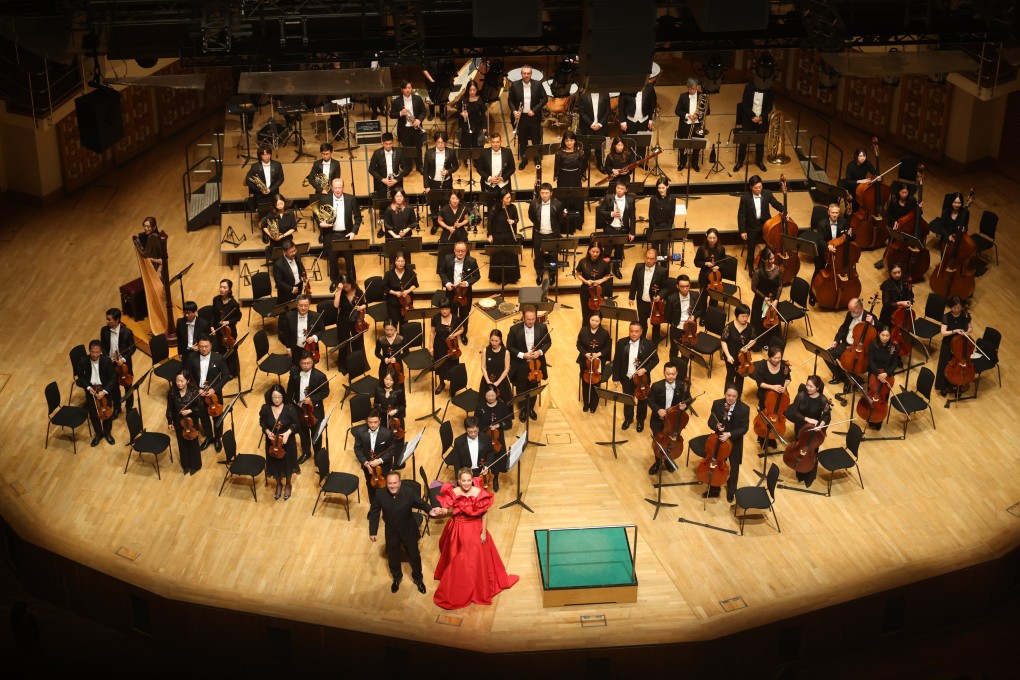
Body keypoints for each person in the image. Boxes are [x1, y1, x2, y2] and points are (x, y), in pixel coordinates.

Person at [431, 467, 519, 609]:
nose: (466, 484)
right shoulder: (454, 492)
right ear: (459, 481)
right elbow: (446, 509)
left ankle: (476, 585)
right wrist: (439, 510)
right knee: (458, 558)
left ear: (472, 479)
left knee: (475, 559)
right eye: (463, 481)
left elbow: (484, 514)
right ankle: (461, 584)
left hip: (475, 528)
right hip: (458, 529)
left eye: (469, 480)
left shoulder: (479, 492)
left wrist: (483, 532)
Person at [369, 471, 436, 595]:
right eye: (390, 483)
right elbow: (374, 512)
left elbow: (420, 503)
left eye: (395, 483)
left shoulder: (409, 492)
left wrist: (430, 510)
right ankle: (396, 578)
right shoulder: (380, 494)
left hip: (408, 529)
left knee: (414, 556)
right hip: (391, 531)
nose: (392, 486)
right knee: (393, 556)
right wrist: (373, 531)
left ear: (400, 483)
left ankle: (418, 579)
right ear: (386, 483)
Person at [185, 334, 231, 453]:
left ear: (211, 345)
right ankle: (209, 437)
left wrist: (214, 389)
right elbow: (188, 375)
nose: (203, 349)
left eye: (206, 346)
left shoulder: (218, 358)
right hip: (199, 393)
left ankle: (217, 438)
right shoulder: (191, 357)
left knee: (217, 417)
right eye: (201, 346)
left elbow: (226, 375)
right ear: (198, 346)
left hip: (214, 394)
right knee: (204, 417)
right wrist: (197, 389)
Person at [783, 376, 830, 486]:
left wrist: (821, 425)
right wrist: (807, 419)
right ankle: (798, 470)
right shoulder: (801, 396)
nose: (808, 388)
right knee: (799, 450)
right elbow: (794, 411)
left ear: (817, 387)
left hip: (815, 431)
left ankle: (809, 473)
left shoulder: (823, 400)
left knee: (812, 451)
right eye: (807, 385)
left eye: (811, 386)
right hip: (801, 428)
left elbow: (827, 416)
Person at [612, 321, 659, 432]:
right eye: (631, 331)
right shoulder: (621, 342)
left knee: (642, 401)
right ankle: (628, 419)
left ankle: (640, 421)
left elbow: (655, 360)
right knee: (628, 400)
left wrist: (645, 369)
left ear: (641, 332)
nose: (633, 334)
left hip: (642, 379)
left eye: (636, 332)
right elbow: (617, 361)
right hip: (626, 378)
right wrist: (615, 378)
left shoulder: (648, 344)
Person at [705, 384, 750, 502]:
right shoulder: (717, 404)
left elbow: (744, 428)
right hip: (719, 440)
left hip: (735, 440)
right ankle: (715, 488)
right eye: (728, 395)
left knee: (734, 467)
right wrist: (716, 425)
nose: (730, 398)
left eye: (734, 396)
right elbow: (710, 421)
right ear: (725, 394)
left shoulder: (744, 408)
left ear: (738, 396)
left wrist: (729, 434)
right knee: (717, 463)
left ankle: (731, 490)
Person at [507, 306, 552, 421]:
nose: (531, 321)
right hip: (521, 365)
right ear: (523, 317)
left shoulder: (542, 328)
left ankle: (530, 408)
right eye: (528, 319)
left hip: (536, 365)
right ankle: (523, 410)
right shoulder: (514, 329)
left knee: (534, 388)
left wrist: (540, 352)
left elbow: (548, 342)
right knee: (521, 389)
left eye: (533, 319)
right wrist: (523, 355)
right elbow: (509, 346)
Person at [648, 362, 693, 474]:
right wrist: (658, 410)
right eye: (668, 374)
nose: (670, 376)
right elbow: (650, 400)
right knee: (659, 442)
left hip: (673, 422)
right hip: (658, 420)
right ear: (664, 373)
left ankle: (668, 461)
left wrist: (685, 406)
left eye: (673, 374)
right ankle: (658, 463)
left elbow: (689, 399)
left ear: (676, 373)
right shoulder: (656, 386)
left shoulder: (682, 386)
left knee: (671, 443)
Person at [827, 297, 877, 397]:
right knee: (828, 354)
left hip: (860, 348)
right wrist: (836, 341)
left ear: (860, 308)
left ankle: (852, 380)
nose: (851, 313)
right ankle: (842, 377)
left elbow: (878, 331)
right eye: (850, 310)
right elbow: (843, 328)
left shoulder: (870, 317)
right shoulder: (850, 314)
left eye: (853, 311)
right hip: (847, 344)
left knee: (854, 362)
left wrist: (872, 323)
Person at [286, 351, 329, 464]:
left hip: (314, 409)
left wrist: (312, 399)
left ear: (313, 362)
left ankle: (317, 455)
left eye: (308, 363)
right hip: (298, 408)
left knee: (316, 434)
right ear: (299, 363)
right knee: (302, 432)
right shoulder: (294, 372)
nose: (306, 366)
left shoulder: (320, 376)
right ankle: (306, 452)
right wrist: (288, 405)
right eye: (303, 363)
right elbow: (290, 389)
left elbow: (325, 392)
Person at [319, 178, 362, 289]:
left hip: (346, 234)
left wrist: (353, 232)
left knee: (349, 260)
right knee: (333, 260)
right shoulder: (325, 199)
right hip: (331, 234)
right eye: (335, 187)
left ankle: (352, 281)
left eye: (340, 187)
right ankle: (335, 281)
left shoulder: (351, 199)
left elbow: (358, 217)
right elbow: (317, 215)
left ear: (343, 187)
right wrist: (321, 223)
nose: (337, 190)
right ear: (331, 188)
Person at [737, 174, 785, 274]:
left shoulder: (767, 193)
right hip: (752, 226)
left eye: (760, 187)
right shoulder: (745, 198)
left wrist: (785, 211)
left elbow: (775, 204)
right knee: (751, 250)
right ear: (751, 187)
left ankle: (767, 264)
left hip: (766, 224)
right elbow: (741, 215)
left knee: (771, 245)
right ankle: (751, 269)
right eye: (756, 188)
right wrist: (742, 231)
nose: (758, 189)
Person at [261, 383, 299, 499]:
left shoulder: (289, 408)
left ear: (283, 396)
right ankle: (278, 484)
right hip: (272, 443)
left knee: (288, 463)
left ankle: (288, 484)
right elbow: (262, 423)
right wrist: (267, 431)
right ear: (270, 397)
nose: (277, 400)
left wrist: (287, 433)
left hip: (287, 442)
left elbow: (296, 425)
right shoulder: (266, 408)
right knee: (275, 463)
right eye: (274, 397)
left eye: (279, 397)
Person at [78, 339, 116, 447]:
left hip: (104, 389)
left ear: (100, 352)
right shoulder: (83, 361)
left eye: (97, 352)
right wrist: (88, 387)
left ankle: (107, 432)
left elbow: (113, 378)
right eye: (92, 352)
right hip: (92, 391)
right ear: (89, 350)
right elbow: (80, 377)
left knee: (107, 413)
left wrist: (104, 391)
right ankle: (99, 433)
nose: (95, 355)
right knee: (94, 415)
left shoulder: (106, 360)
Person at [475, 385, 513, 492]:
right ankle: (484, 478)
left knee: (496, 459)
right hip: (483, 437)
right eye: (488, 396)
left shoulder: (502, 406)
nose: (491, 398)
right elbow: (475, 423)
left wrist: (499, 425)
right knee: (484, 459)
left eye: (493, 395)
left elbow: (509, 423)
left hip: (497, 439)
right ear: (485, 395)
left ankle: (495, 477)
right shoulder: (480, 406)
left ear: (496, 394)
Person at [751, 345, 791, 447]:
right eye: (775, 358)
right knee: (765, 419)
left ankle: (773, 438)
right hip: (765, 397)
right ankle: (762, 437)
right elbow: (759, 383)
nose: (777, 360)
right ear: (769, 357)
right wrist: (772, 387)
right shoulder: (763, 366)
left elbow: (788, 379)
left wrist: (784, 386)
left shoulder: (783, 365)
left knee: (777, 417)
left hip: (780, 396)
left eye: (779, 358)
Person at [507, 65, 547, 169]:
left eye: (528, 73)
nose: (526, 75)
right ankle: (524, 159)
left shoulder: (538, 85)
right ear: (521, 74)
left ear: (531, 74)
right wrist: (514, 111)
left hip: (534, 117)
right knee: (522, 139)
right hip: (521, 118)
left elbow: (544, 99)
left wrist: (534, 110)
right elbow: (510, 100)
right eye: (524, 73)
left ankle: (536, 158)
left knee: (535, 139)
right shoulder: (515, 85)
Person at [355, 408, 398, 502]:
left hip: (384, 466)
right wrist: (365, 462)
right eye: (370, 422)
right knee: (370, 485)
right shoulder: (360, 431)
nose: (373, 425)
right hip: (368, 468)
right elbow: (357, 449)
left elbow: (392, 450)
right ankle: (373, 504)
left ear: (380, 420)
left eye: (375, 422)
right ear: (367, 421)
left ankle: (385, 503)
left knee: (385, 486)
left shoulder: (387, 433)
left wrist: (380, 460)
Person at [439, 241, 481, 339]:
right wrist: (447, 283)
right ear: (454, 250)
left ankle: (463, 335)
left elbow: (477, 275)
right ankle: (452, 333)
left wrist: (467, 283)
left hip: (465, 294)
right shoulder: (447, 259)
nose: (460, 253)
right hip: (451, 292)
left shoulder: (472, 261)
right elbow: (442, 272)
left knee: (464, 315)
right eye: (458, 251)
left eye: (462, 251)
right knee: (452, 314)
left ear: (466, 251)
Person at [811, 202, 854, 293]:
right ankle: (812, 292)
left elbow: (852, 237)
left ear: (839, 213)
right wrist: (828, 246)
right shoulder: (821, 224)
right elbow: (819, 240)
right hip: (824, 251)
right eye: (833, 213)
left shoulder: (844, 222)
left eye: (837, 213)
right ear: (828, 212)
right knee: (818, 270)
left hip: (838, 252)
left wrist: (850, 234)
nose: (835, 215)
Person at [597, 179, 636, 279]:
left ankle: (616, 268)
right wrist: (611, 214)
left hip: (622, 230)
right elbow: (601, 210)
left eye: (622, 189)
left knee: (619, 251)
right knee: (607, 251)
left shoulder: (630, 200)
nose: (619, 190)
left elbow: (632, 216)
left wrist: (632, 232)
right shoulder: (609, 197)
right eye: (618, 188)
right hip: (610, 228)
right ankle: (605, 269)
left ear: (626, 190)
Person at [628, 247, 669, 342]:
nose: (648, 260)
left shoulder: (662, 271)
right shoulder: (638, 267)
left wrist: (659, 296)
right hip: (641, 301)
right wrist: (631, 297)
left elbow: (666, 288)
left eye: (651, 259)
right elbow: (634, 282)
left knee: (655, 324)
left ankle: (654, 345)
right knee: (642, 323)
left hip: (654, 304)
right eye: (647, 258)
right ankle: (641, 342)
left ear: (655, 260)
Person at [935, 296, 973, 396]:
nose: (956, 310)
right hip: (948, 344)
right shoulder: (946, 317)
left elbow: (970, 328)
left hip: (961, 345)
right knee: (944, 365)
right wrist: (954, 331)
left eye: (959, 307)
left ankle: (957, 386)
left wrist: (966, 332)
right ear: (950, 307)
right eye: (954, 308)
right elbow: (943, 332)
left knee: (959, 367)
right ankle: (943, 387)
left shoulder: (965, 315)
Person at [166, 370, 203, 474]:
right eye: (177, 381)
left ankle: (195, 465)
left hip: (191, 423)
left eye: (182, 381)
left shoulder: (194, 393)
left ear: (188, 381)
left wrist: (190, 410)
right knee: (181, 443)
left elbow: (201, 408)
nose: (179, 383)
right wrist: (170, 421)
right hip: (179, 422)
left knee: (193, 443)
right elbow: (170, 408)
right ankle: (185, 465)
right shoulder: (172, 392)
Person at [101, 307, 135, 418]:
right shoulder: (104, 331)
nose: (107, 321)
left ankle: (129, 408)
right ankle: (117, 408)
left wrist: (123, 359)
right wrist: (107, 358)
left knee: (128, 387)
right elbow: (103, 347)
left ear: (117, 320)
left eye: (109, 319)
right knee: (114, 388)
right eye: (107, 319)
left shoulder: (127, 332)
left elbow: (133, 348)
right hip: (111, 364)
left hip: (123, 365)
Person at [528, 183, 564, 285]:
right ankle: (539, 273)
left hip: (552, 234)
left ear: (551, 193)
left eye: (546, 193)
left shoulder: (558, 204)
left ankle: (552, 273)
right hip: (539, 233)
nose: (544, 195)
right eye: (542, 193)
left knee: (553, 255)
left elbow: (559, 220)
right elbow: (532, 217)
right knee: (538, 255)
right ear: (540, 193)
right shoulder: (534, 203)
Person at [577, 310, 612, 414]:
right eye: (592, 320)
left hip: (598, 363)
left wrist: (599, 354)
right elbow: (579, 345)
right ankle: (586, 404)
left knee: (596, 384)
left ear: (600, 321)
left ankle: (593, 404)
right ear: (589, 319)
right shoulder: (583, 330)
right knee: (585, 383)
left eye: (597, 321)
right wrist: (585, 354)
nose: (594, 323)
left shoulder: (604, 333)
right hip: (585, 361)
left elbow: (608, 348)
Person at [734, 80, 774, 172]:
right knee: (743, 142)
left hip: (761, 120)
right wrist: (752, 116)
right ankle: (740, 162)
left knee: (760, 143)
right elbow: (744, 103)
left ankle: (759, 161)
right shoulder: (749, 87)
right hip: (748, 118)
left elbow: (769, 107)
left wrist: (760, 117)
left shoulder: (770, 90)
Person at [863, 327, 898, 430]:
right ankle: (869, 417)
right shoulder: (873, 344)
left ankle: (879, 420)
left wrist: (886, 374)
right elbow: (871, 361)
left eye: (887, 336)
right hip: (874, 374)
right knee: (871, 397)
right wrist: (878, 374)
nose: (885, 338)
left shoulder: (894, 347)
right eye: (883, 335)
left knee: (883, 399)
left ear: (890, 336)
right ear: (879, 334)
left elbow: (895, 363)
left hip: (887, 376)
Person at [389, 80, 426, 174]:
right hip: (404, 129)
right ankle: (407, 167)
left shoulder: (418, 98)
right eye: (405, 88)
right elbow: (392, 115)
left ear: (411, 88)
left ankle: (419, 166)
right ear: (401, 89)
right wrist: (401, 113)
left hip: (416, 127)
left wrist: (419, 120)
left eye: (409, 88)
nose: (407, 90)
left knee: (418, 147)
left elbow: (423, 111)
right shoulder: (397, 101)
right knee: (407, 148)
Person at [750, 246, 782, 350]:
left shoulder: (778, 269)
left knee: (773, 321)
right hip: (761, 299)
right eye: (770, 259)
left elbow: (780, 286)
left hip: (774, 300)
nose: (773, 260)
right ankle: (759, 343)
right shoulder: (758, 272)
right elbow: (753, 287)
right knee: (759, 322)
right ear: (764, 260)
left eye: (773, 258)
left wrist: (776, 300)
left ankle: (772, 343)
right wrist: (764, 298)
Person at [666, 275, 700, 372]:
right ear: (677, 286)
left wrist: (694, 316)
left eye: (687, 286)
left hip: (690, 328)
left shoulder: (695, 295)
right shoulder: (671, 298)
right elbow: (668, 316)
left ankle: (683, 370)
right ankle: (672, 370)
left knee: (687, 351)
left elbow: (700, 310)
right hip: (677, 328)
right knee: (674, 350)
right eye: (682, 286)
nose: (685, 289)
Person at [553, 131, 586, 233]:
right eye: (567, 141)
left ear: (575, 141)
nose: (569, 143)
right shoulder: (559, 152)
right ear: (564, 141)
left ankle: (576, 223)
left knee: (576, 198)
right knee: (563, 199)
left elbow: (582, 166)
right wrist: (556, 176)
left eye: (571, 140)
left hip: (575, 177)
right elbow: (557, 166)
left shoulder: (580, 152)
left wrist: (582, 176)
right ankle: (562, 224)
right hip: (563, 177)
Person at [487, 189, 521, 284]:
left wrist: (513, 221)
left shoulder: (513, 208)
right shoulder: (495, 208)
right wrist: (490, 235)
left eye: (510, 197)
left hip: (509, 235)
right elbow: (490, 222)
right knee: (498, 257)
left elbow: (517, 219)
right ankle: (497, 277)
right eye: (507, 198)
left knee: (510, 256)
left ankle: (510, 277)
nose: (509, 199)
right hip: (497, 235)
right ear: (502, 199)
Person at [674, 77, 709, 172]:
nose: (691, 90)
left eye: (692, 88)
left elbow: (708, 111)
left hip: (697, 125)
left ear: (697, 87)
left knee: (697, 146)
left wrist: (699, 115)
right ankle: (682, 163)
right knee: (682, 146)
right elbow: (677, 111)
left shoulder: (703, 97)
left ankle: (695, 163)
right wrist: (687, 115)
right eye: (689, 88)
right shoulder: (683, 96)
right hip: (685, 125)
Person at [429, 299, 463, 395]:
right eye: (443, 309)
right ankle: (441, 383)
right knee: (440, 365)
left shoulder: (456, 318)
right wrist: (431, 346)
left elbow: (462, 329)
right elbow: (432, 332)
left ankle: (453, 385)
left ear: (450, 309)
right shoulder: (436, 318)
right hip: (439, 345)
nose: (444, 311)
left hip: (452, 346)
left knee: (452, 366)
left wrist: (454, 334)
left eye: (447, 308)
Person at [333, 277, 367, 370]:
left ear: (351, 284)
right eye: (343, 287)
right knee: (344, 343)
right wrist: (339, 290)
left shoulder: (359, 292)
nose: (345, 289)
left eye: (347, 287)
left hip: (356, 320)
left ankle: (359, 364)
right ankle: (344, 365)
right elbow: (336, 305)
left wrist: (360, 307)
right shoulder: (340, 292)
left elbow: (365, 304)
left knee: (358, 342)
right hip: (343, 320)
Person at [423, 131, 459, 220]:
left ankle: (444, 222)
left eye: (442, 142)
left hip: (446, 182)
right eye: (438, 142)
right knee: (434, 204)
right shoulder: (429, 153)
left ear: (445, 142)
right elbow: (425, 171)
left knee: (445, 204)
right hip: (433, 183)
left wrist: (448, 171)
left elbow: (456, 166)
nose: (440, 145)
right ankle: (435, 223)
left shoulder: (451, 152)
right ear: (435, 142)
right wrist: (426, 186)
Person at [575, 241, 613, 324]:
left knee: (597, 311)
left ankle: (596, 327)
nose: (595, 254)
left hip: (599, 290)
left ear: (600, 252)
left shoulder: (604, 263)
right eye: (593, 252)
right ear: (589, 251)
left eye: (597, 252)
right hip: (586, 289)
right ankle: (585, 327)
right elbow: (577, 273)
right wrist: (586, 281)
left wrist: (600, 281)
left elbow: (607, 275)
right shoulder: (583, 262)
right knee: (585, 311)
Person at [720, 304, 754, 395]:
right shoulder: (729, 327)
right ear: (737, 315)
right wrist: (727, 356)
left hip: (744, 357)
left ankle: (738, 396)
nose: (745, 319)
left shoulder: (750, 327)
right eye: (743, 316)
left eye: (747, 316)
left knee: (740, 376)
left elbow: (754, 339)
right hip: (731, 356)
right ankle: (727, 396)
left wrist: (747, 347)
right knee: (730, 376)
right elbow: (723, 341)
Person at [279, 295, 321, 368]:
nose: (303, 308)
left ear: (309, 305)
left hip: (310, 348)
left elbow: (321, 330)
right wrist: (288, 348)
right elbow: (286, 334)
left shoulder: (316, 316)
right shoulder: (289, 316)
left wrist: (314, 337)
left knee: (310, 367)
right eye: (301, 305)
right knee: (297, 367)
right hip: (295, 348)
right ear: (297, 305)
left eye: (305, 305)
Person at [374, 369, 407, 459]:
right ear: (383, 378)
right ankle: (386, 461)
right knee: (384, 441)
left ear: (394, 380)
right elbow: (376, 404)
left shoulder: (399, 390)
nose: (388, 382)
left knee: (398, 441)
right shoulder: (378, 389)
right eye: (386, 379)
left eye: (391, 380)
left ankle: (398, 461)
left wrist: (395, 411)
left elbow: (403, 405)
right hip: (384, 418)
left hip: (397, 420)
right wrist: (385, 412)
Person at [211, 279, 242, 377]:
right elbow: (213, 314)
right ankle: (223, 371)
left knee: (231, 352)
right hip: (218, 330)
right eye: (221, 287)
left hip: (229, 331)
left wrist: (228, 322)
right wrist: (212, 326)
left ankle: (233, 372)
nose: (222, 289)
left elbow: (238, 316)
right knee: (221, 351)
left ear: (229, 290)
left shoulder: (234, 304)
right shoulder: (216, 299)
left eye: (224, 287)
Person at [476, 132, 515, 206]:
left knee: (504, 207)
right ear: (490, 142)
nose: (495, 144)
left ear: (501, 142)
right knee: (491, 208)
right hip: (489, 185)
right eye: (493, 142)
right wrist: (489, 178)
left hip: (503, 185)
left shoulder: (508, 152)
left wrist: (503, 178)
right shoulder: (484, 152)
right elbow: (479, 169)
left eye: (497, 142)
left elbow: (512, 168)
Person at [619, 80, 656, 157]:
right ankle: (631, 161)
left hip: (644, 120)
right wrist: (622, 121)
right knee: (630, 143)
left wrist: (651, 120)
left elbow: (652, 104)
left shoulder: (649, 87)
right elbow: (621, 106)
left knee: (642, 143)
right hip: (630, 120)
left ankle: (641, 161)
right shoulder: (626, 88)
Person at [382, 252, 418, 330]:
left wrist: (407, 291)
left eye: (402, 261)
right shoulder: (389, 274)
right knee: (393, 322)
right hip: (392, 302)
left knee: (404, 322)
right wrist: (395, 293)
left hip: (406, 302)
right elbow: (384, 287)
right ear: (394, 262)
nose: (400, 263)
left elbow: (415, 284)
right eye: (398, 261)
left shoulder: (411, 273)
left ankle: (403, 340)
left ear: (406, 262)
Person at [383, 189, 417, 265]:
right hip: (392, 238)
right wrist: (396, 236)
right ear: (394, 197)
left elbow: (413, 222)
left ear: (404, 197)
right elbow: (387, 225)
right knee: (393, 259)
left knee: (406, 258)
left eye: (401, 196)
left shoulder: (409, 209)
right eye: (397, 196)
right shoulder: (389, 209)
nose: (399, 198)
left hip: (406, 236)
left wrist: (405, 231)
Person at [694, 228, 726, 306]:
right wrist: (705, 263)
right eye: (710, 238)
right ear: (706, 237)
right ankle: (703, 315)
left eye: (714, 238)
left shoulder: (721, 249)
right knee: (703, 298)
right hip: (704, 276)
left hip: (716, 278)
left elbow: (724, 262)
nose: (712, 240)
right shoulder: (702, 249)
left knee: (714, 298)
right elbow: (696, 262)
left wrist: (718, 267)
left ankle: (712, 315)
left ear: (717, 238)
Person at [480, 329, 513, 403]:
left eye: (496, 341)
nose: (494, 343)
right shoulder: (485, 351)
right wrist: (488, 382)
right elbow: (483, 367)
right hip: (487, 380)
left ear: (500, 340)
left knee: (506, 403)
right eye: (492, 340)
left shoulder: (506, 352)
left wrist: (497, 382)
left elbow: (507, 369)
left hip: (501, 381)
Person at [577, 92, 607, 172]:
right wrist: (591, 124)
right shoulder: (583, 95)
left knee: (600, 147)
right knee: (586, 148)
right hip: (587, 126)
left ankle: (600, 164)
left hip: (601, 126)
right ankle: (584, 165)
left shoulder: (605, 94)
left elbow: (607, 110)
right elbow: (582, 112)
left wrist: (600, 124)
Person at [368, 132, 405, 198]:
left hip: (396, 182)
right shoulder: (377, 153)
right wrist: (382, 179)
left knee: (399, 200)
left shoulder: (399, 152)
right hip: (382, 183)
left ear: (393, 142)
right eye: (386, 144)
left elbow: (406, 168)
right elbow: (371, 169)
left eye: (390, 144)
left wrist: (396, 180)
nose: (388, 146)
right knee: (382, 202)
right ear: (382, 143)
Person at [260, 194, 297, 259]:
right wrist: (271, 235)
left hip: (286, 238)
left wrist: (282, 236)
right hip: (275, 239)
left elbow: (293, 228)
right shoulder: (272, 214)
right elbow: (264, 226)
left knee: (289, 254)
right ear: (274, 205)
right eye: (277, 205)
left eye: (281, 204)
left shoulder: (291, 213)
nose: (280, 206)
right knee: (276, 256)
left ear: (284, 202)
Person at [647, 177, 676, 258]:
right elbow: (651, 216)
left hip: (666, 228)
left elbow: (671, 216)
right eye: (659, 188)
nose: (661, 190)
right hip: (655, 228)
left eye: (663, 187)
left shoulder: (672, 199)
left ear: (667, 186)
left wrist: (668, 229)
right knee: (654, 251)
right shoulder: (653, 199)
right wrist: (654, 229)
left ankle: (664, 268)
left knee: (664, 251)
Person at [175, 301, 210, 367]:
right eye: (185, 313)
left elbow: (207, 340)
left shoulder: (203, 324)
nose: (186, 315)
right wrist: (180, 353)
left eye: (189, 313)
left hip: (199, 352)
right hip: (186, 352)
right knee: (186, 370)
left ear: (195, 312)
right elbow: (179, 339)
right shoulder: (180, 322)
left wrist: (199, 347)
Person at [842, 147, 877, 213]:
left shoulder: (867, 163)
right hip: (851, 186)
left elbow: (875, 173)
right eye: (860, 156)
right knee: (853, 206)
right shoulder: (851, 166)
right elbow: (847, 181)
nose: (863, 158)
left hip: (861, 187)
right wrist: (861, 181)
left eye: (864, 156)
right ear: (856, 156)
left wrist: (878, 176)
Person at [879, 263, 914, 329]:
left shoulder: (906, 280)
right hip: (889, 314)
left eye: (899, 272)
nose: (897, 275)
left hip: (902, 312)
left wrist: (910, 303)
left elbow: (911, 296)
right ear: (890, 273)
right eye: (894, 273)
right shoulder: (887, 284)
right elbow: (886, 304)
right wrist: (900, 303)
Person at [272, 240, 306, 305]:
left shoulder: (297, 256)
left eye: (294, 250)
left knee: (297, 305)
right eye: (291, 252)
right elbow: (279, 282)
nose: (294, 253)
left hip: (298, 287)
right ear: (284, 252)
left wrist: (304, 276)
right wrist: (291, 289)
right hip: (286, 293)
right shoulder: (278, 264)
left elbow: (301, 266)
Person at [457, 79, 488, 148]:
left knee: (476, 145)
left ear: (477, 89)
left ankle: (476, 158)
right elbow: (458, 110)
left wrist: (484, 127)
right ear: (468, 90)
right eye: (470, 90)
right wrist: (462, 113)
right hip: (466, 125)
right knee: (465, 145)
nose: (472, 92)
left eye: (474, 90)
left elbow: (483, 114)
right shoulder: (463, 99)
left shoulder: (480, 100)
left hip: (477, 124)